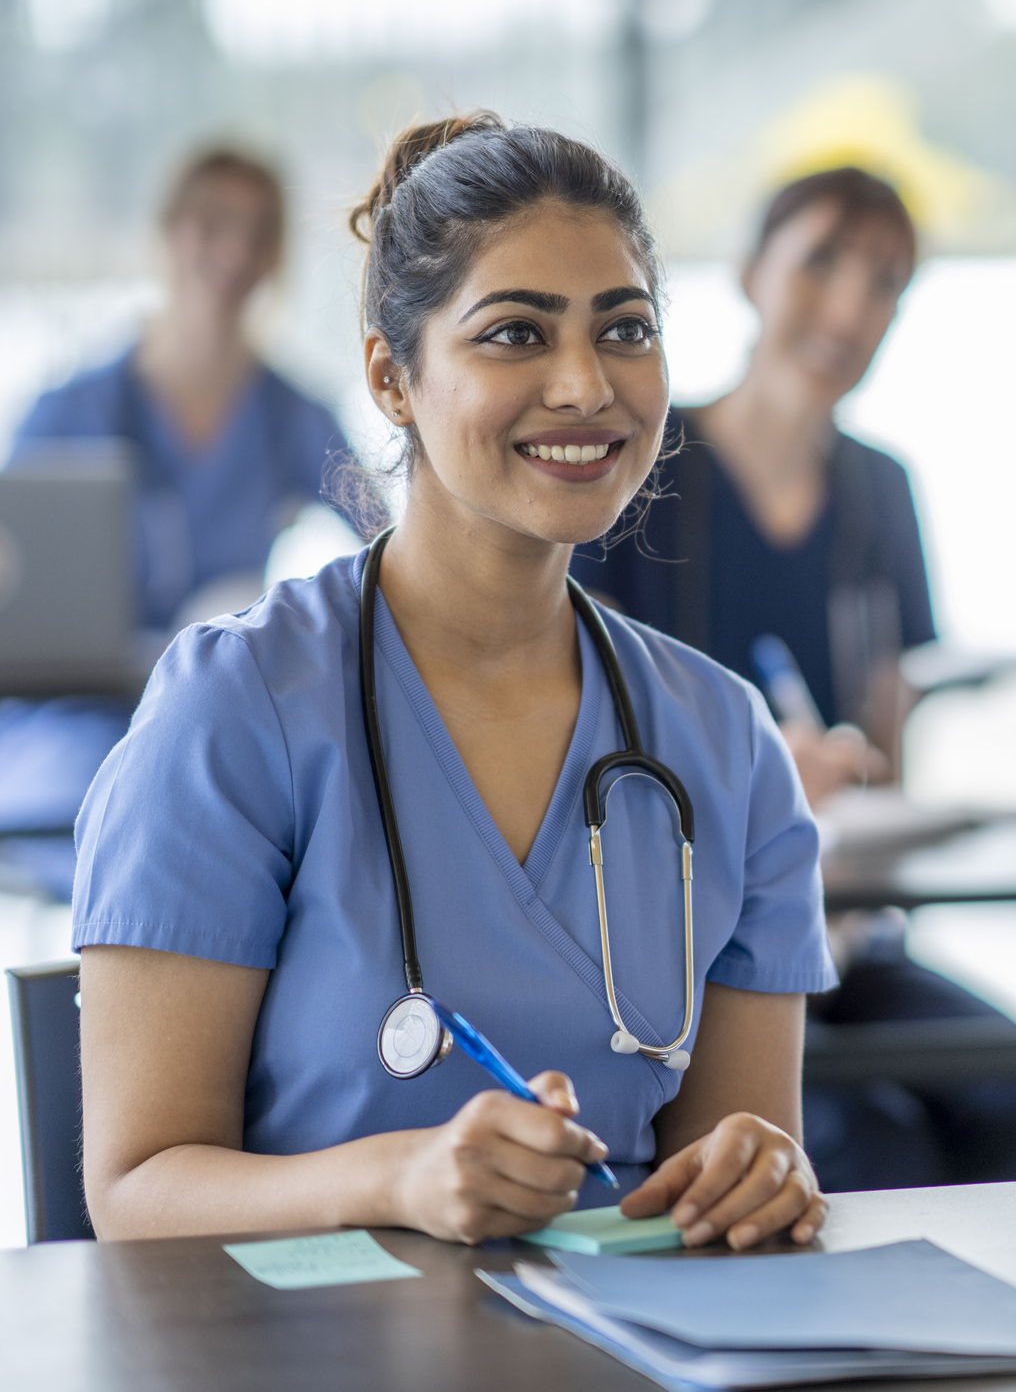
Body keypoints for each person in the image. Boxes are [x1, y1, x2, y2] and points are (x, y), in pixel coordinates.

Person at [73, 113, 835, 1249]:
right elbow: (134, 1188)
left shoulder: (724, 742)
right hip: (306, 1351)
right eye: (516, 335)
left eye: (625, 330)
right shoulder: (237, 711)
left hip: (629, 1351)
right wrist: (397, 1180)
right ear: (391, 376)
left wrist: (763, 1170)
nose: (585, 385)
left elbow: (722, 1164)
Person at [574, 167, 1016, 1191]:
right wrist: (760, 781)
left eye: (884, 283)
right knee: (874, 1142)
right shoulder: (637, 471)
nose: (852, 306)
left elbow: (886, 735)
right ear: (750, 271)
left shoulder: (880, 493)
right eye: (822, 263)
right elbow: (573, 729)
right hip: (673, 952)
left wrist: (855, 784)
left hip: (841, 933)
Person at [0, 148, 346, 898]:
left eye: (258, 231)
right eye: (211, 223)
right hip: (73, 714)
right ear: (166, 235)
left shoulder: (294, 417)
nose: (234, 250)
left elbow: (392, 542)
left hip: (212, 713)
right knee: (124, 817)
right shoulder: (72, 409)